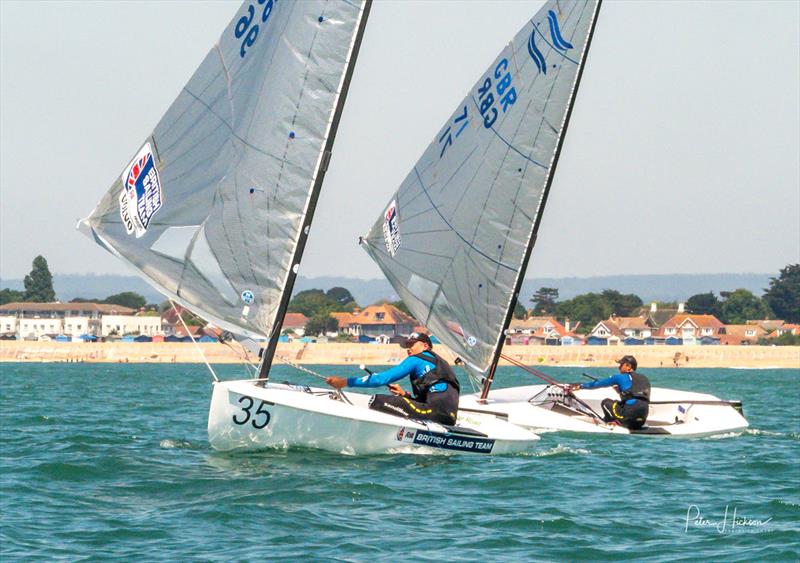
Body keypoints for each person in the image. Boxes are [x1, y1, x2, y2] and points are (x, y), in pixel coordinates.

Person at [325, 332, 460, 425]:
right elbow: (434, 397)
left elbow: (381, 379)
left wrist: (345, 382)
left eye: (412, 345)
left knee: (377, 401)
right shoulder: (440, 363)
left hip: (433, 412)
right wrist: (405, 395)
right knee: (400, 400)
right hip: (449, 417)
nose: (408, 349)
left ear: (425, 346)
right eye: (407, 346)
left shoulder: (416, 359)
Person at [569, 355, 651, 430]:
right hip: (642, 418)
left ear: (628, 366)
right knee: (624, 404)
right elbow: (636, 398)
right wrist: (620, 392)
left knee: (606, 402)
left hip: (627, 417)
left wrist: (580, 386)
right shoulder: (644, 378)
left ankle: (610, 422)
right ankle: (623, 421)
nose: (619, 367)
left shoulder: (619, 377)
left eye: (621, 365)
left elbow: (597, 384)